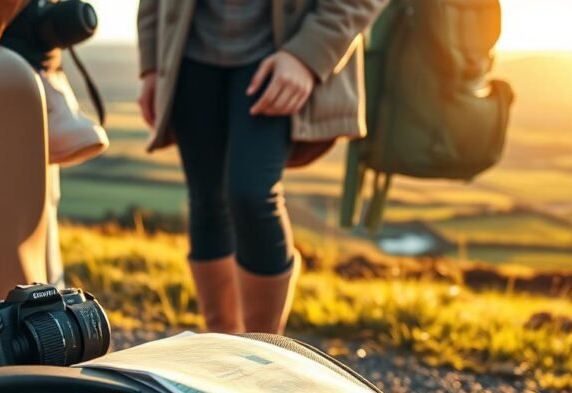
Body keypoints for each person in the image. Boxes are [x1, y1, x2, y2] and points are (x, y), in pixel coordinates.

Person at [136, 0, 387, 334]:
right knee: (207, 201)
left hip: (280, 56)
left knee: (250, 195)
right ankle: (220, 351)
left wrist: (307, 55)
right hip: (188, 54)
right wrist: (152, 63)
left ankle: (262, 354)